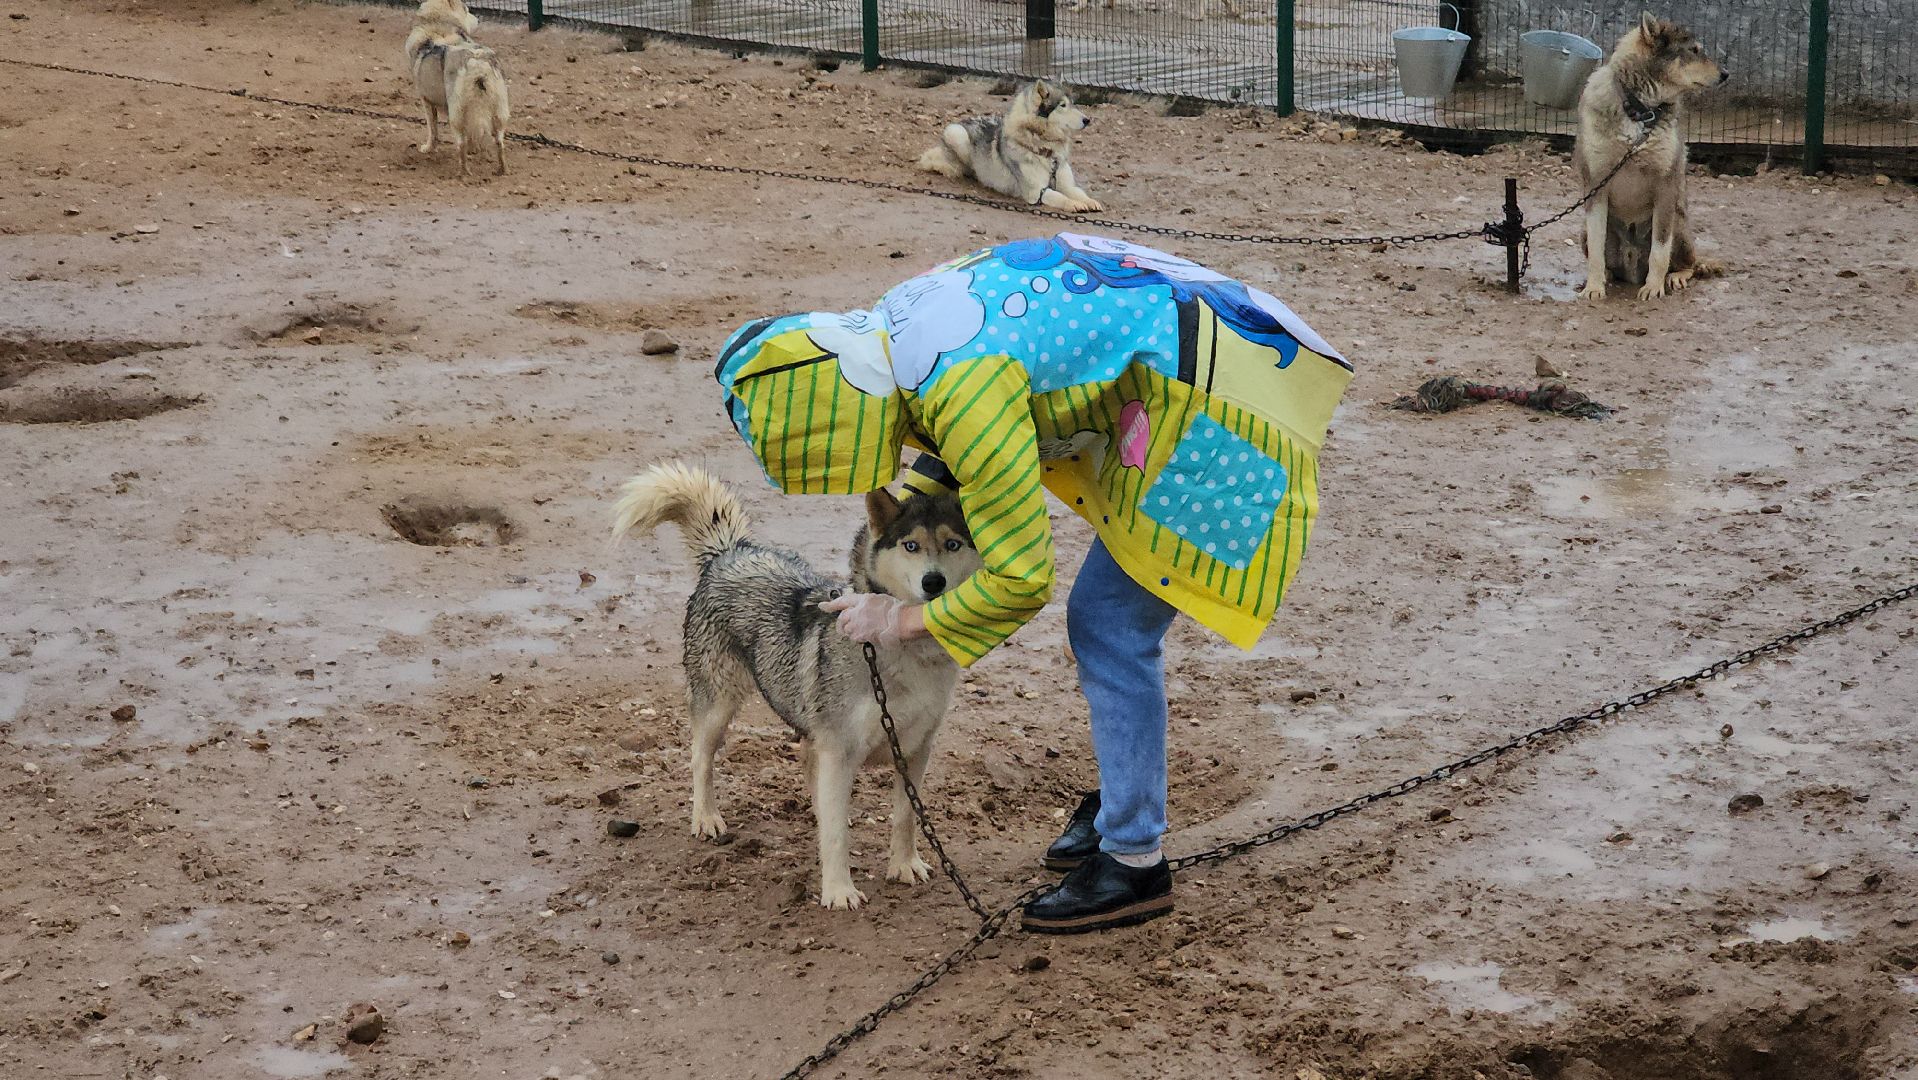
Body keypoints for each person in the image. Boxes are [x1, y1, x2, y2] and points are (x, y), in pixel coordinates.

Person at [714, 233, 1352, 933]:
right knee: (1107, 620)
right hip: (1184, 371)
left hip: (1229, 413)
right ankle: (1123, 803)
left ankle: (1133, 860)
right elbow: (947, 454)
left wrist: (900, 621)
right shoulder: (897, 334)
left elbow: (1022, 577)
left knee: (1109, 626)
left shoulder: (967, 392)